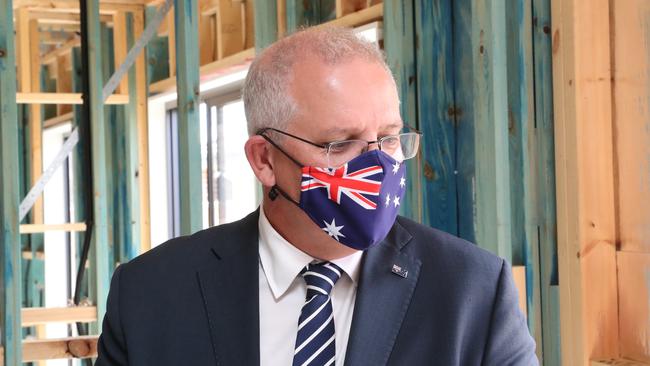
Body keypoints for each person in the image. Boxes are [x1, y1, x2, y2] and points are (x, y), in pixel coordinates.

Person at [95, 26, 538, 366]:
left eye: (388, 137)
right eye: (339, 144)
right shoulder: (150, 294)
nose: (378, 165)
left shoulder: (473, 291)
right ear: (265, 159)